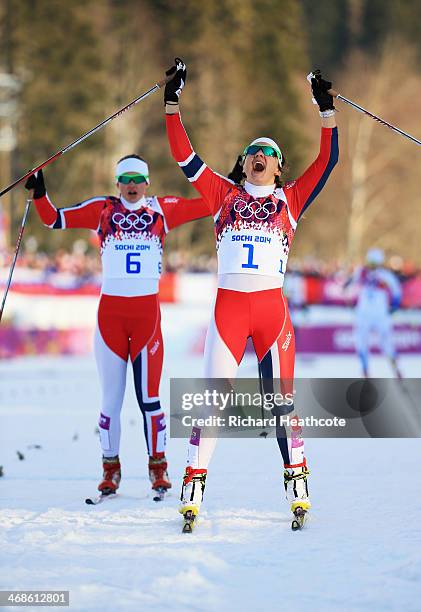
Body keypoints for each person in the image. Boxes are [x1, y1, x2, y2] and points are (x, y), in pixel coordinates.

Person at [164, 59, 339, 528]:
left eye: (268, 152)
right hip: (229, 312)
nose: (259, 155)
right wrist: (171, 100)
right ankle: (193, 485)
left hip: (270, 314)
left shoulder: (291, 200)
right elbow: (184, 156)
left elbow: (328, 162)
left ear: (279, 168)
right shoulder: (222, 194)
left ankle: (297, 483)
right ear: (243, 163)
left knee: (281, 403)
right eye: (251, 151)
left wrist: (325, 109)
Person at [25, 156, 209, 498]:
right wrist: (39, 193)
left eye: (138, 178)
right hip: (110, 318)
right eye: (125, 178)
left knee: (150, 399)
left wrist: (226, 182)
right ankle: (110, 469)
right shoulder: (103, 210)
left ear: (147, 182)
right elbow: (53, 220)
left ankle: (159, 467)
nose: (132, 184)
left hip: (146, 319)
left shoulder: (162, 210)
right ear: (117, 183)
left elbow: (209, 204)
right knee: (110, 401)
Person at [348, 248, 402, 378]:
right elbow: (348, 285)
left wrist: (394, 306)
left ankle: (395, 367)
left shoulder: (385, 275)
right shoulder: (361, 272)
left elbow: (396, 291)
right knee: (361, 341)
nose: (371, 265)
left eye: (374, 263)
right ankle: (365, 369)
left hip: (379, 314)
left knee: (386, 342)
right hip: (365, 314)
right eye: (370, 262)